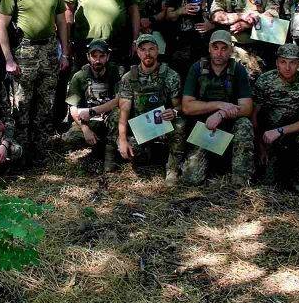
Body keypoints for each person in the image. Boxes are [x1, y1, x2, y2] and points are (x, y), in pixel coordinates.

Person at [0, 0, 69, 162]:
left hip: (49, 50)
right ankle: (20, 152)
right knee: (22, 103)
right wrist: (9, 58)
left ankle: (41, 150)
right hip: (25, 50)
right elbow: (2, 25)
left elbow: (62, 22)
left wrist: (64, 54)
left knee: (46, 102)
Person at [181, 30, 255, 185]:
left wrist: (221, 114)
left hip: (229, 126)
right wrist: (219, 104)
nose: (219, 53)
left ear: (231, 50)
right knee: (191, 179)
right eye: (215, 48)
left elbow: (247, 108)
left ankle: (240, 178)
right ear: (209, 48)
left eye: (224, 48)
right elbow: (187, 106)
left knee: (244, 125)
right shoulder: (197, 68)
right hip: (204, 127)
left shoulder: (238, 70)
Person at [113, 34, 185, 186]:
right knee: (137, 157)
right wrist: (123, 139)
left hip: (163, 126)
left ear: (157, 50)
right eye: (143, 49)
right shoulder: (128, 78)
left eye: (151, 49)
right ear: (138, 52)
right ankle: (151, 153)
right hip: (142, 128)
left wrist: (174, 111)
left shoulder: (170, 76)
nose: (147, 53)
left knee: (180, 124)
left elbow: (179, 105)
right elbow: (124, 111)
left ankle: (172, 168)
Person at [253, 44, 299, 192]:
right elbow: (254, 116)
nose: (287, 67)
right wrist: (260, 147)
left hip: (292, 134)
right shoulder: (264, 80)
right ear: (277, 62)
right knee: (268, 184)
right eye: (283, 62)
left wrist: (280, 131)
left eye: (293, 63)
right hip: (268, 137)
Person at [211, 0, 280, 78]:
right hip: (229, 50)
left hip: (259, 51)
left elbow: (274, 15)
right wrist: (241, 16)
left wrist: (247, 24)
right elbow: (216, 15)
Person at [62, 40, 123, 172]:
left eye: (102, 56)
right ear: (88, 57)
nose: (98, 60)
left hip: (110, 120)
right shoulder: (79, 77)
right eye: (94, 56)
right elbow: (73, 107)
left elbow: (119, 100)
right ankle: (99, 147)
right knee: (70, 138)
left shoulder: (114, 72)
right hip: (90, 121)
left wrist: (93, 111)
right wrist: (85, 129)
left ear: (108, 56)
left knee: (118, 113)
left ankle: (109, 156)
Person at [165, 0, 218, 78]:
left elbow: (223, 15)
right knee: (179, 84)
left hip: (206, 45)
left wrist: (212, 25)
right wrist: (181, 11)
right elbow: (168, 15)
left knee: (205, 83)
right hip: (181, 45)